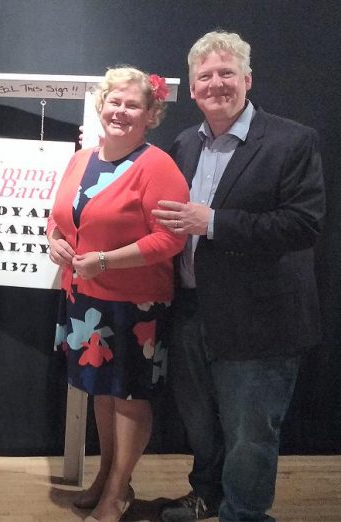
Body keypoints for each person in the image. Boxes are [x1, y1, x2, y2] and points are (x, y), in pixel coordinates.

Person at [153, 31, 325, 522]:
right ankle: (207, 495)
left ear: (248, 79)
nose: (216, 83)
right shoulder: (185, 144)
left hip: (261, 322)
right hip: (191, 313)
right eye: (204, 76)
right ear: (191, 88)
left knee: (251, 433)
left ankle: (244, 513)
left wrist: (214, 223)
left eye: (226, 73)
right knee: (201, 424)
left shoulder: (293, 140)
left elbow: (304, 224)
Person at [48, 66, 189, 522]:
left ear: (151, 114)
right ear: (101, 105)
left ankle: (118, 491)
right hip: (85, 297)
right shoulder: (80, 159)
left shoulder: (157, 166)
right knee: (102, 394)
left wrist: (106, 261)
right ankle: (110, 475)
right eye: (115, 102)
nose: (121, 111)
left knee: (129, 396)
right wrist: (54, 241)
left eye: (133, 105)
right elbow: (59, 217)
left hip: (135, 304)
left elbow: (170, 240)